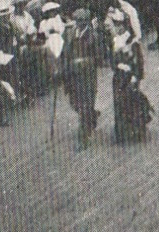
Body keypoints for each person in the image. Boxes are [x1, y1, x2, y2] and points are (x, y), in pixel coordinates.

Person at [61, 9, 104, 149]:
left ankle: (83, 138)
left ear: (87, 21)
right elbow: (64, 53)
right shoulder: (69, 34)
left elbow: (99, 58)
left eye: (82, 21)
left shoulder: (93, 36)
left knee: (85, 104)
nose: (79, 24)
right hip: (72, 76)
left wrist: (83, 62)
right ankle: (91, 117)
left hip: (87, 76)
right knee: (75, 103)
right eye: (77, 21)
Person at [109, 30, 152, 143]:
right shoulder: (116, 41)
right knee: (120, 105)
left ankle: (137, 131)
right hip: (119, 79)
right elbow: (112, 60)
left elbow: (139, 62)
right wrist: (118, 65)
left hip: (130, 78)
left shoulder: (134, 44)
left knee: (132, 104)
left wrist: (136, 76)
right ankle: (122, 133)